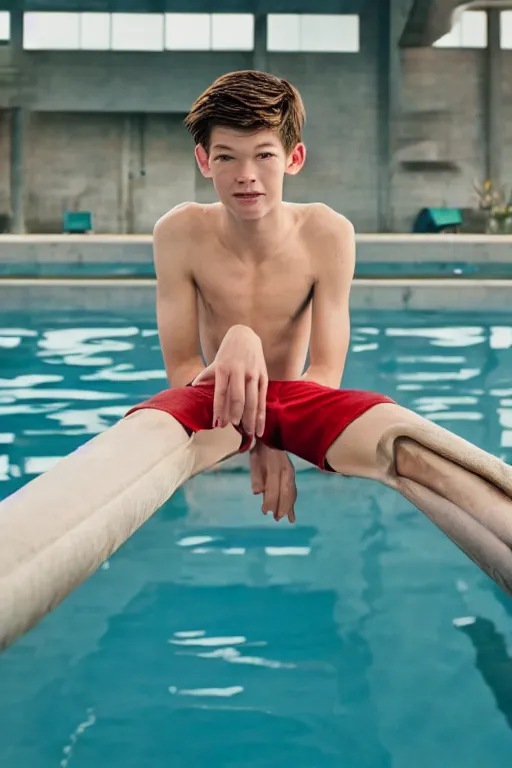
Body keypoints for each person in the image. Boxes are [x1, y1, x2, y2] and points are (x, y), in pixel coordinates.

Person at [127, 70, 512, 595]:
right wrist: (239, 341)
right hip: (215, 402)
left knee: (417, 454)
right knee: (133, 444)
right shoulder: (178, 233)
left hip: (302, 402)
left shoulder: (328, 233)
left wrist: (272, 435)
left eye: (263, 154)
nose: (247, 175)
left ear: (293, 158)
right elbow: (184, 374)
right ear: (203, 161)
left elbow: (325, 372)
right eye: (226, 157)